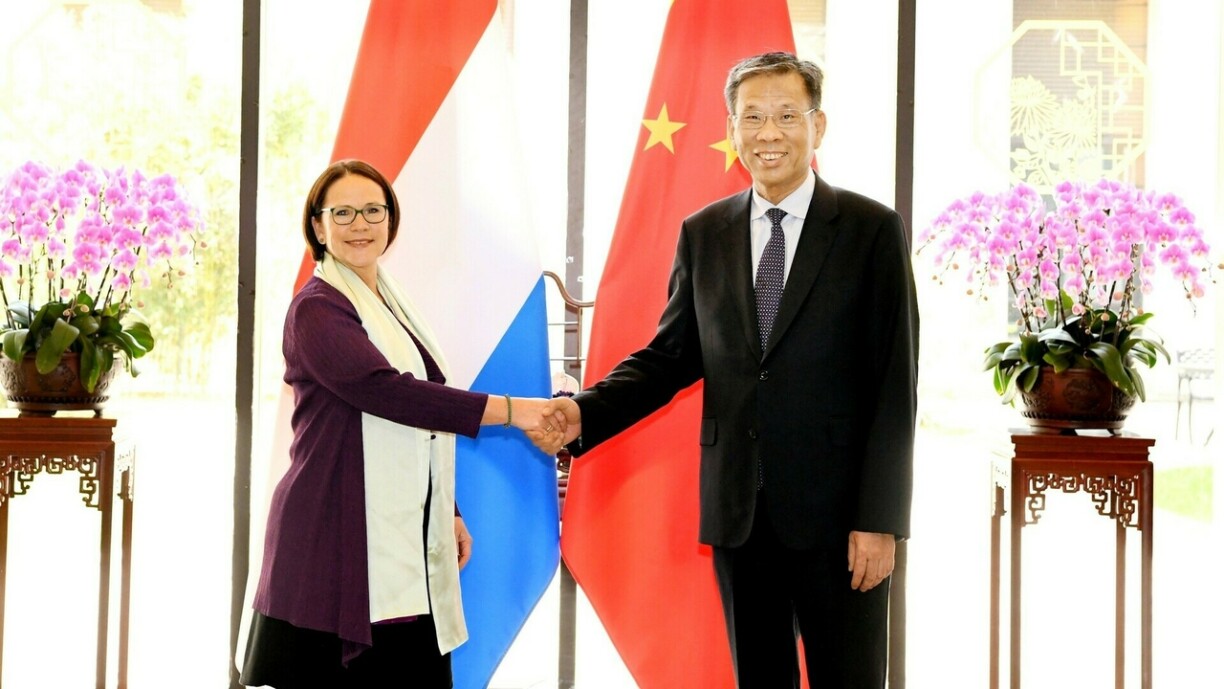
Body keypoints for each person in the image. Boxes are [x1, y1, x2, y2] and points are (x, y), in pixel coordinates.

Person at [543, 52, 919, 688]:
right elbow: (669, 358)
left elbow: (894, 386)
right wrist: (583, 413)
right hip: (740, 517)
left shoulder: (870, 230)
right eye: (752, 117)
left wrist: (880, 520)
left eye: (786, 116)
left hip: (841, 522)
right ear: (732, 128)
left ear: (818, 126)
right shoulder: (705, 232)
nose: (769, 133)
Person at [240, 159, 565, 688]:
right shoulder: (316, 309)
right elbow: (388, 393)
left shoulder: (391, 302)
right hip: (331, 531)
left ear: (390, 220)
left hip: (404, 533)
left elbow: (421, 424)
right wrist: (516, 411)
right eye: (342, 213)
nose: (360, 224)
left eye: (373, 210)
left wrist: (446, 511)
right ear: (318, 226)